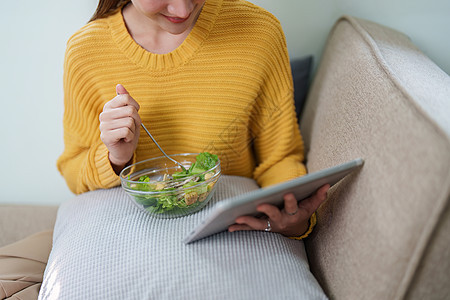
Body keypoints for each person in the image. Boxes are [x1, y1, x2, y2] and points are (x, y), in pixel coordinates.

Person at [56, 0, 329, 238]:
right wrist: (116, 158)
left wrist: (293, 215)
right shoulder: (86, 51)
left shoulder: (259, 31)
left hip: (232, 235)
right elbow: (73, 170)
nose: (182, 9)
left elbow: (280, 158)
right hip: (131, 238)